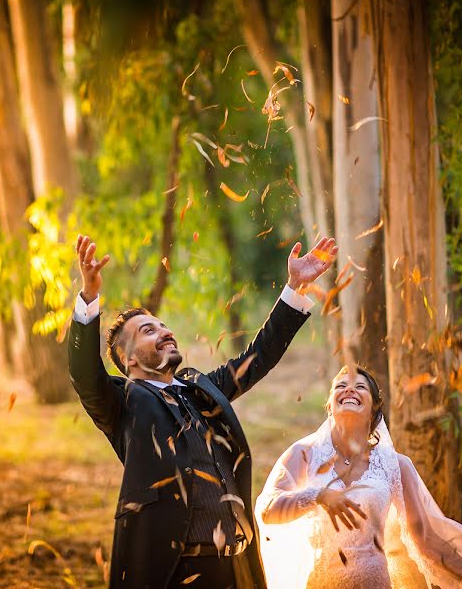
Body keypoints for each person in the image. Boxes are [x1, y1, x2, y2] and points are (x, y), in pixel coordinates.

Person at [68, 233, 338, 589]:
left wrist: (295, 288)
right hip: (174, 572)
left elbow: (255, 360)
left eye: (164, 326)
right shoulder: (124, 404)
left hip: (234, 567)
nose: (165, 332)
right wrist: (88, 296)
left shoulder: (200, 391)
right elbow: (85, 375)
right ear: (129, 359)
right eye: (149, 331)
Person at [255, 366, 462, 589]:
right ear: (330, 406)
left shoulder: (395, 465)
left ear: (374, 406)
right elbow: (268, 510)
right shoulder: (303, 455)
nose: (349, 389)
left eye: (360, 386)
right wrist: (316, 496)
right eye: (340, 386)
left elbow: (425, 537)